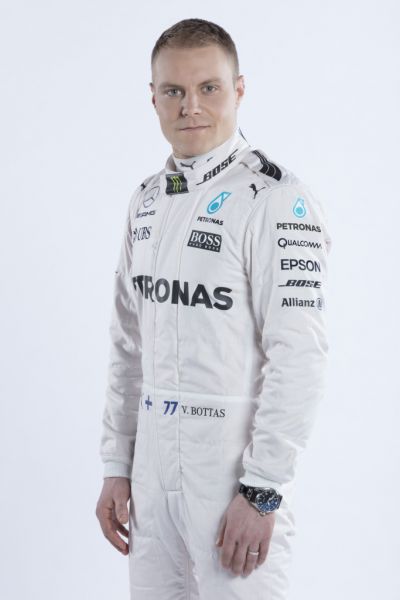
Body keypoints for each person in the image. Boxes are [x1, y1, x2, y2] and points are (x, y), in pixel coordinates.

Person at [95, 17, 331, 600]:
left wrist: (263, 489)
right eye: (173, 90)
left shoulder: (276, 200)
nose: (191, 107)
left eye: (209, 88)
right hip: (150, 475)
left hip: (231, 474)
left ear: (239, 89)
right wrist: (117, 465)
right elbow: (128, 345)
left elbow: (299, 356)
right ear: (153, 97)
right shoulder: (147, 200)